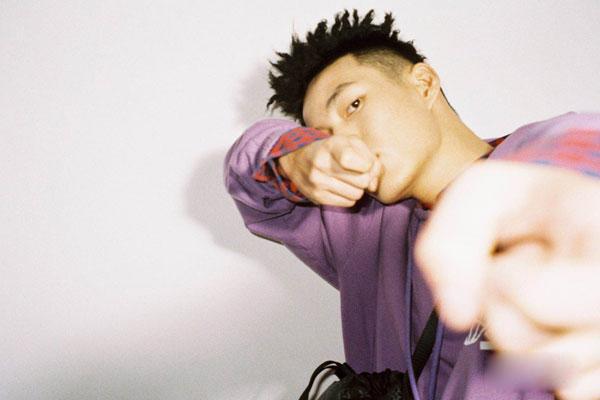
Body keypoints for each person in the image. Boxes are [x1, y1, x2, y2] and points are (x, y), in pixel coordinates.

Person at [223, 9, 600, 399]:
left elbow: (581, 147)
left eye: (353, 105)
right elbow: (249, 180)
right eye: (324, 135)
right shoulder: (358, 229)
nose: (344, 141)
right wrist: (293, 157)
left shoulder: (538, 155)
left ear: (424, 83)